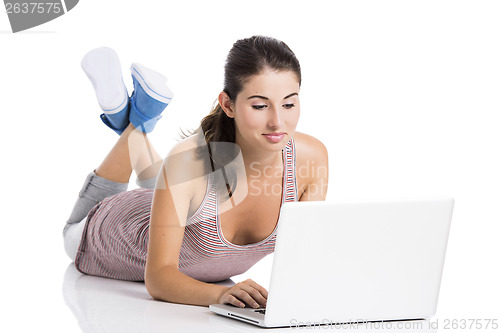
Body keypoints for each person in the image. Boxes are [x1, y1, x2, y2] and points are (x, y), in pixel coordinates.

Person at [63, 35, 329, 309]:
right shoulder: (186, 162)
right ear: (228, 105)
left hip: (180, 201)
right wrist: (220, 296)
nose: (277, 122)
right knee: (72, 227)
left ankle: (133, 115)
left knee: (181, 181)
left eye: (289, 104)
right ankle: (140, 119)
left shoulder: (311, 159)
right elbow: (158, 279)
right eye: (260, 106)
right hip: (112, 227)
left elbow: (301, 259)